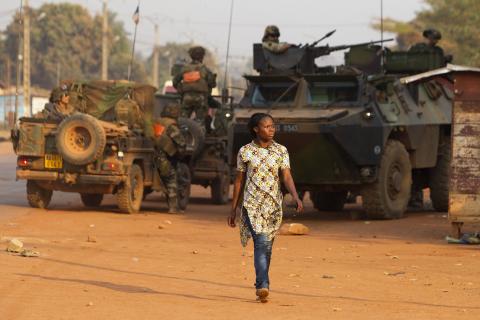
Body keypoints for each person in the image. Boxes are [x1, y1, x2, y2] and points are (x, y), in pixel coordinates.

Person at [228, 113, 304, 303]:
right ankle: (263, 284)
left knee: (267, 247)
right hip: (252, 205)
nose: (271, 130)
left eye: (273, 126)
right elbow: (239, 181)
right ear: (256, 129)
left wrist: (295, 196)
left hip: (273, 206)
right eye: (267, 126)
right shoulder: (245, 151)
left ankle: (260, 282)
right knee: (261, 243)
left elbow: (286, 176)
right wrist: (234, 208)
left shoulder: (281, 151)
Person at [153, 103, 186, 213]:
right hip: (164, 158)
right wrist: (181, 153)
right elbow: (180, 142)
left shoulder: (157, 121)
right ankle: (173, 208)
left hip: (152, 155)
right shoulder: (171, 125)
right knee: (172, 179)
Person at [172, 46, 217, 126]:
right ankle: (199, 137)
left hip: (186, 98)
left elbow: (175, 82)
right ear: (202, 56)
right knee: (200, 123)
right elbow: (212, 84)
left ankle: (183, 136)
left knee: (183, 122)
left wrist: (181, 90)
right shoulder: (204, 69)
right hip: (201, 99)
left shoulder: (185, 69)